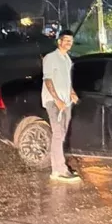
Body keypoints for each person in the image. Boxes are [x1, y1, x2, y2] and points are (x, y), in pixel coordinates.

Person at [42, 30, 81, 183]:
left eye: (71, 41)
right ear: (59, 42)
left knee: (61, 135)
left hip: (66, 102)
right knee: (58, 133)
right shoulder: (51, 58)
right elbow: (48, 80)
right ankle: (61, 170)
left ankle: (55, 170)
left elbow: (67, 81)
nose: (68, 44)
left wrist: (72, 93)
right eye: (66, 41)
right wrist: (56, 99)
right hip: (54, 102)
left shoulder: (67, 59)